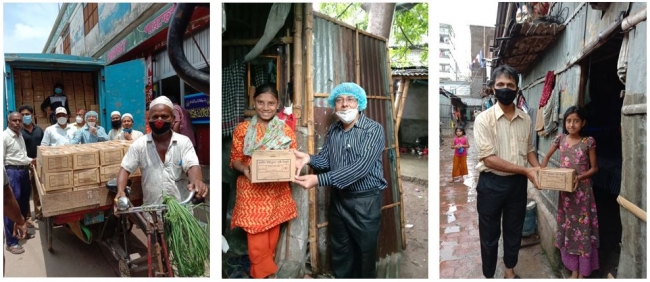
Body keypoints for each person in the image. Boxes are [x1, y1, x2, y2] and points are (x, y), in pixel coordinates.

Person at [292, 82, 386, 278]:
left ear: (360, 103)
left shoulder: (373, 130)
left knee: (365, 252)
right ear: (334, 105)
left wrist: (318, 180)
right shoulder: (334, 129)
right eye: (339, 100)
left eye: (350, 100)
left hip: (364, 201)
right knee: (341, 249)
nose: (344, 104)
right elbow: (326, 159)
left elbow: (360, 168)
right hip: (339, 198)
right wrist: (309, 158)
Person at [473, 65, 541, 279]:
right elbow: (488, 159)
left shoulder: (526, 119)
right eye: (500, 84)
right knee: (490, 235)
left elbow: (529, 149)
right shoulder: (483, 119)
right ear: (493, 88)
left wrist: (538, 169)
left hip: (517, 186)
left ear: (517, 89)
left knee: (514, 231)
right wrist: (526, 170)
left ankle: (509, 270)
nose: (505, 89)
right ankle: (489, 274)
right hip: (490, 185)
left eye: (510, 85)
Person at [229, 84, 298, 279]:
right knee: (257, 239)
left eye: (270, 103)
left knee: (271, 237)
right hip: (251, 190)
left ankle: (260, 274)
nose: (265, 107)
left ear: (278, 105)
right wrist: (246, 169)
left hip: (276, 191)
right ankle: (263, 274)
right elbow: (235, 159)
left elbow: (291, 158)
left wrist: (286, 167)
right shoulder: (242, 129)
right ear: (254, 102)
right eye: (260, 102)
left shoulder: (285, 131)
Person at [115, 95, 207, 207]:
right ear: (149, 119)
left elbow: (192, 166)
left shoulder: (183, 142)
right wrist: (120, 191)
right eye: (155, 117)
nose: (159, 120)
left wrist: (196, 181)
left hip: (181, 210)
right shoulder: (140, 144)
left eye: (164, 116)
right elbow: (125, 168)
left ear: (173, 119)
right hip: (152, 211)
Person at [541, 106, 599, 278]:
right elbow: (546, 157)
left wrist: (578, 178)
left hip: (583, 193)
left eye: (576, 121)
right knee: (570, 229)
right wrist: (542, 174)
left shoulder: (588, 142)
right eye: (568, 121)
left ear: (583, 123)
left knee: (583, 229)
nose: (572, 124)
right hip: (566, 194)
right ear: (564, 123)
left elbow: (594, 168)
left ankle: (584, 271)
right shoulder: (560, 139)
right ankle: (574, 270)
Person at [3, 112, 37, 255]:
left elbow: (21, 156)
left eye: (19, 121)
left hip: (23, 172)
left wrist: (31, 160)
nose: (17, 123)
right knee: (12, 206)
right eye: (14, 120)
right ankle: (12, 242)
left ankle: (20, 229)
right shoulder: (4, 137)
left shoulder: (20, 135)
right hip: (12, 173)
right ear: (8, 122)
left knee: (23, 204)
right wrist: (6, 182)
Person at [18, 105, 44, 226]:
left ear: (32, 115)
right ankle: (27, 216)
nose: (25, 117)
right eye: (22, 115)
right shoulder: (18, 132)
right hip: (25, 165)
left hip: (38, 164)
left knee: (38, 189)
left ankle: (39, 213)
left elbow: (44, 146)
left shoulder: (38, 130)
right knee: (25, 191)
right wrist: (28, 160)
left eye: (27, 114)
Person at [4, 168, 28, 257]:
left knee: (23, 203)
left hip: (24, 169)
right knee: (10, 204)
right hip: (12, 170)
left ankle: (23, 232)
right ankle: (11, 242)